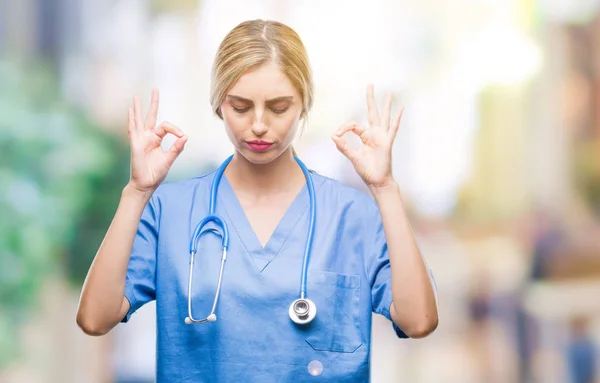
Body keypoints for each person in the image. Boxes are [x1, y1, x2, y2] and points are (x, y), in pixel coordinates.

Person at [76, 19, 438, 382]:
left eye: (279, 108)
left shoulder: (352, 214)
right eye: (241, 107)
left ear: (304, 104)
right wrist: (137, 191)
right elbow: (94, 319)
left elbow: (419, 320)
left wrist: (386, 188)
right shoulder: (169, 210)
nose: (260, 125)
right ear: (219, 104)